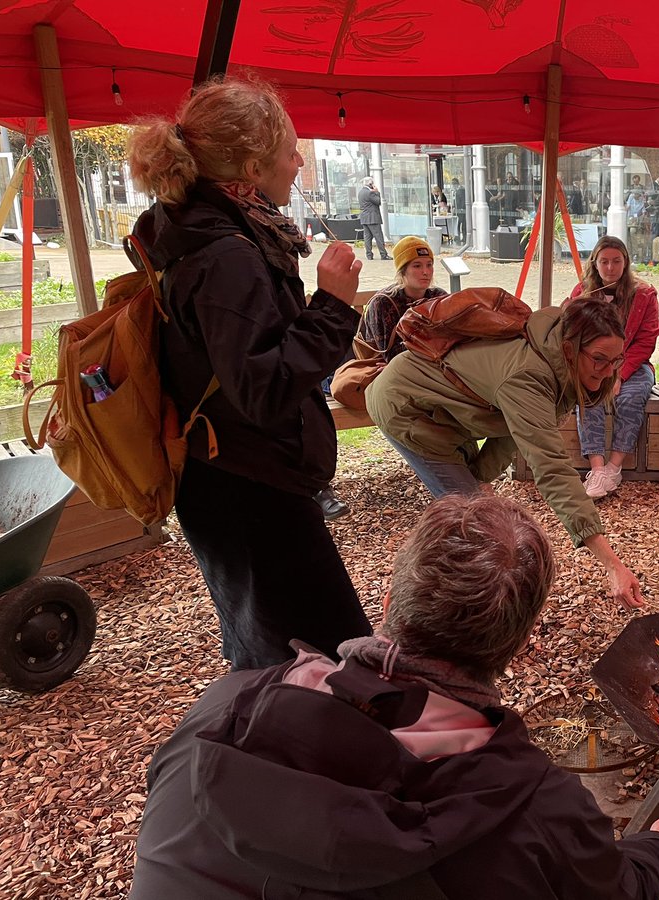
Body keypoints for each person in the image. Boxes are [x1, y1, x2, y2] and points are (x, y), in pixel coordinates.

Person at [130, 493, 659, 899]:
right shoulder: (534, 806)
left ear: (389, 603)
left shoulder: (224, 707)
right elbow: (611, 891)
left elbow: (394, 720)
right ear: (514, 646)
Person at [127, 78, 371, 669]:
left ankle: (277, 752)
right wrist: (333, 305)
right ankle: (321, 758)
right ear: (254, 165)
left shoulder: (190, 224)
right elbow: (261, 391)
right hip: (249, 485)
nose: (299, 160)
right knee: (329, 662)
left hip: (222, 475)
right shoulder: (226, 253)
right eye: (291, 149)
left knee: (268, 652)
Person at [366, 298, 646, 608]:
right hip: (410, 407)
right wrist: (611, 564)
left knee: (476, 506)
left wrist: (480, 476)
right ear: (570, 348)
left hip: (449, 413)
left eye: (616, 361)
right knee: (473, 521)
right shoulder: (529, 375)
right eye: (599, 359)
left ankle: (461, 591)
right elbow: (552, 470)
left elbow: (511, 434)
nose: (608, 372)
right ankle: (425, 600)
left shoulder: (556, 356)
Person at [565, 236, 659, 499]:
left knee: (631, 398)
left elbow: (646, 339)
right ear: (594, 264)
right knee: (589, 395)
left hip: (633, 363)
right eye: (604, 261)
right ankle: (596, 468)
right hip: (593, 362)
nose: (610, 268)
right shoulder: (582, 292)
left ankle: (613, 467)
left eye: (616, 261)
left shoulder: (643, 294)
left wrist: (620, 373)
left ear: (626, 263)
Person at [356, 235, 449, 363]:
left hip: (433, 366)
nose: (426, 272)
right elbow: (390, 357)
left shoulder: (438, 297)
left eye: (429, 265)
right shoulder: (383, 303)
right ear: (402, 270)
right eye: (417, 266)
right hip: (388, 372)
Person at [358, 176, 389, 261]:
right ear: (370, 184)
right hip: (372, 218)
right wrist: (377, 192)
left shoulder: (360, 192)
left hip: (364, 218)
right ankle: (383, 254)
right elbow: (378, 201)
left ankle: (369, 255)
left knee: (367, 237)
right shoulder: (370, 193)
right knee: (378, 236)